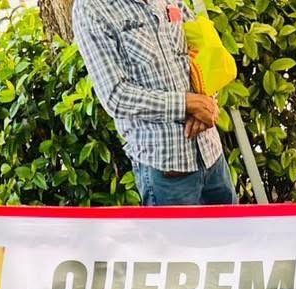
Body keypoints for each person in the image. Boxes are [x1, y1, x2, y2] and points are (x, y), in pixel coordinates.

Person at [73, 0, 237, 207]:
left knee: (234, 228)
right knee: (174, 231)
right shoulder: (91, 8)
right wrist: (187, 104)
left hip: (212, 154)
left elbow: (201, 49)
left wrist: (207, 102)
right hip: (168, 171)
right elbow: (116, 95)